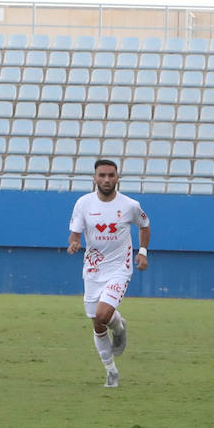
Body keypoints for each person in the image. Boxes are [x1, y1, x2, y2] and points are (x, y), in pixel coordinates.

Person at [66, 159, 150, 388]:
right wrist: (74, 243)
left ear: (117, 178)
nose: (106, 179)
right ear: (94, 178)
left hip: (119, 269)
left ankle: (119, 327)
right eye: (102, 175)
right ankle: (111, 370)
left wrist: (142, 252)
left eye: (111, 175)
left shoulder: (130, 205)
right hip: (93, 268)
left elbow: (144, 225)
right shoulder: (83, 204)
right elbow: (75, 234)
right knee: (97, 324)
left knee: (103, 314)